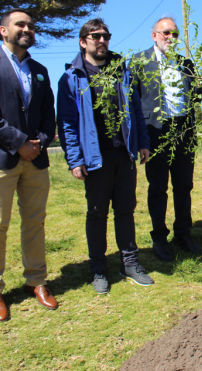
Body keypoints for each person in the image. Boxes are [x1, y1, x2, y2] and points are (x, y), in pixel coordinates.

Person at [57, 19, 153, 295]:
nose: (101, 41)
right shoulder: (72, 77)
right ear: (82, 41)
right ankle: (98, 268)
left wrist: (142, 142)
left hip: (123, 154)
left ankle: (130, 263)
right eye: (95, 36)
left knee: (126, 210)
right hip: (94, 158)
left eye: (106, 36)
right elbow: (66, 122)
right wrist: (75, 159)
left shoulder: (121, 71)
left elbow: (135, 108)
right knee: (97, 213)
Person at [131, 16, 202, 262]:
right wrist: (140, 140)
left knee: (184, 186)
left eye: (174, 34)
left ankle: (183, 233)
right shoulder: (140, 62)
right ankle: (159, 237)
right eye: (166, 33)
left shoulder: (186, 64)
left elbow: (196, 93)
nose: (170, 38)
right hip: (155, 133)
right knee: (158, 187)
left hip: (183, 130)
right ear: (154, 35)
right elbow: (132, 102)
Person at [0, 8, 57, 319]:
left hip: (35, 161)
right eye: (20, 24)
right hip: (4, 158)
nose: (27, 29)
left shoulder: (39, 69)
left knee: (35, 221)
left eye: (31, 26)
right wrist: (18, 142)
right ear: (3, 31)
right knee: (0, 224)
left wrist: (40, 143)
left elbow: (49, 113)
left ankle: (36, 281)